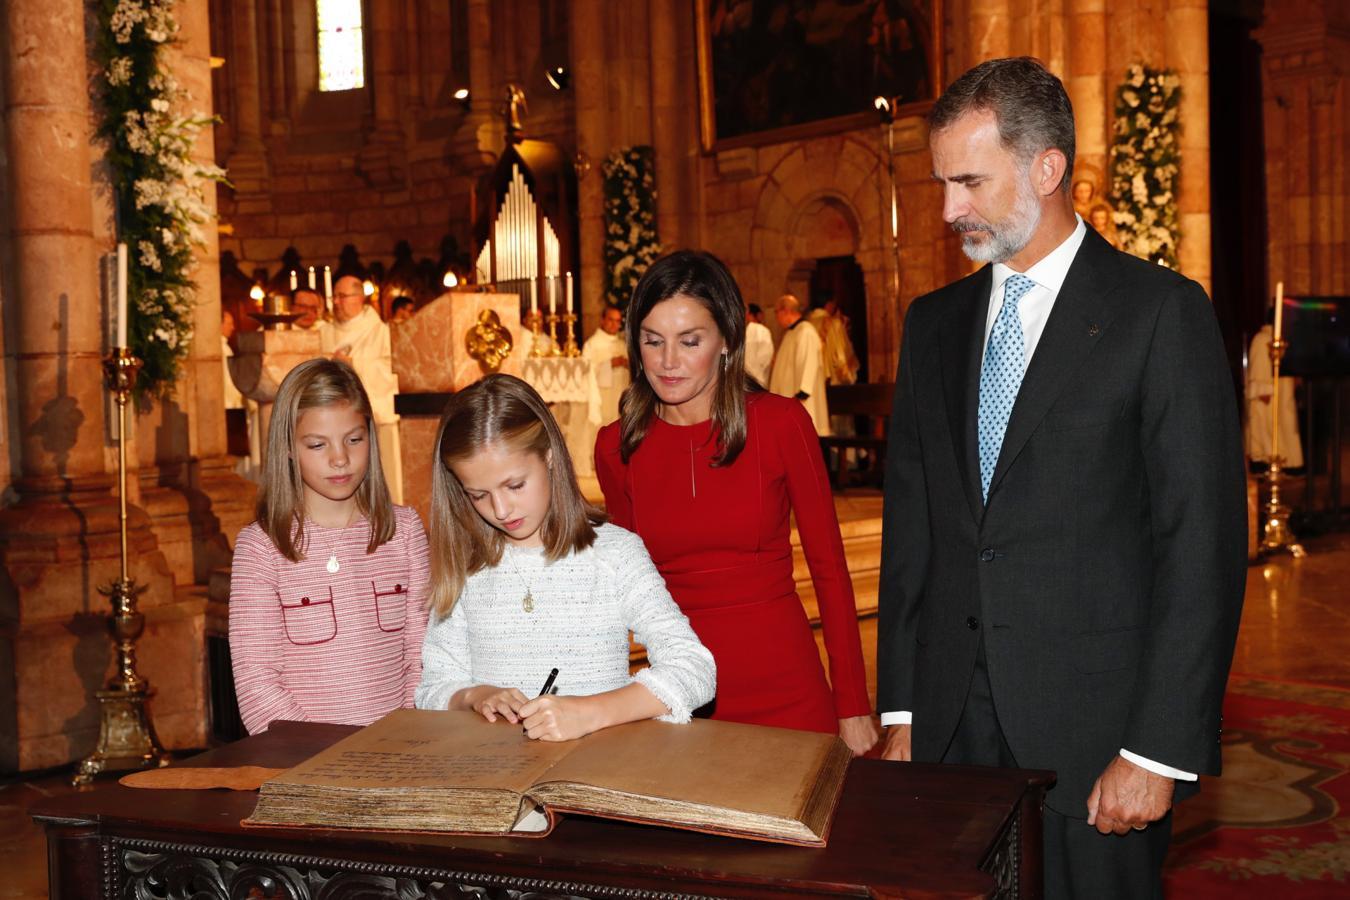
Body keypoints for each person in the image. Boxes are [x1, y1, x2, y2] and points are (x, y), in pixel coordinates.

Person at [877, 57, 1246, 898]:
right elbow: (915, 534)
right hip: (951, 734)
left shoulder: (1159, 314)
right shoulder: (932, 326)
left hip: (1095, 738)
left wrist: (1155, 749)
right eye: (941, 183)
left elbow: (1201, 550)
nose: (947, 210)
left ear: (1047, 169)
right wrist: (904, 712)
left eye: (968, 181)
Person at [595, 251, 878, 756]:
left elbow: (830, 570)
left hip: (787, 687)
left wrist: (852, 705)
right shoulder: (617, 447)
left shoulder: (781, 424)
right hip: (682, 696)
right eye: (652, 340)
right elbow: (625, 589)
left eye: (690, 341)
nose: (667, 362)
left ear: (726, 339)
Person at [415, 374, 715, 740]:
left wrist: (591, 712)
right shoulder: (465, 566)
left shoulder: (613, 554)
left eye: (515, 485)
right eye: (478, 495)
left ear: (549, 456)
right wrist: (473, 696)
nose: (501, 508)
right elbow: (433, 688)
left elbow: (695, 669)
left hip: (598, 776)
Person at [228, 358, 430, 734]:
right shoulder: (261, 548)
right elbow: (258, 684)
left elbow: (421, 657)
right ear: (288, 447)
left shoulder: (403, 531)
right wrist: (322, 759)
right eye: (318, 445)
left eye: (354, 439)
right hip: (305, 762)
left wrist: (405, 737)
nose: (340, 458)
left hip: (399, 752)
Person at [323, 274, 403, 503]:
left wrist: (354, 367)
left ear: (359, 298)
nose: (336, 302)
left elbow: (393, 373)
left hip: (376, 419)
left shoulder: (382, 332)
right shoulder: (324, 331)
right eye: (334, 297)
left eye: (342, 296)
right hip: (334, 423)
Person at [1246, 311, 1303, 470]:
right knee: (1267, 434)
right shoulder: (1262, 339)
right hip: (1267, 398)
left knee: (1283, 431)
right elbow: (1259, 368)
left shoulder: (1280, 340)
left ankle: (1285, 465)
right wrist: (1263, 391)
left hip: (1281, 397)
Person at [769, 293, 831, 435]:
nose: (777, 317)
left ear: (786, 311)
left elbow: (809, 364)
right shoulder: (791, 333)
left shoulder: (806, 331)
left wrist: (802, 394)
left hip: (802, 404)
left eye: (777, 312)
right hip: (789, 405)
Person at [582, 304, 630, 425]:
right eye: (611, 320)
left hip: (621, 393)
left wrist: (628, 364)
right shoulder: (592, 344)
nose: (614, 324)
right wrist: (609, 364)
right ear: (602, 320)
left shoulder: (622, 344)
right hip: (603, 397)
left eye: (618, 321)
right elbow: (586, 373)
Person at [744, 303, 774, 385]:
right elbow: (765, 359)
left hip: (747, 380)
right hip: (757, 380)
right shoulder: (762, 330)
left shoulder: (744, 332)